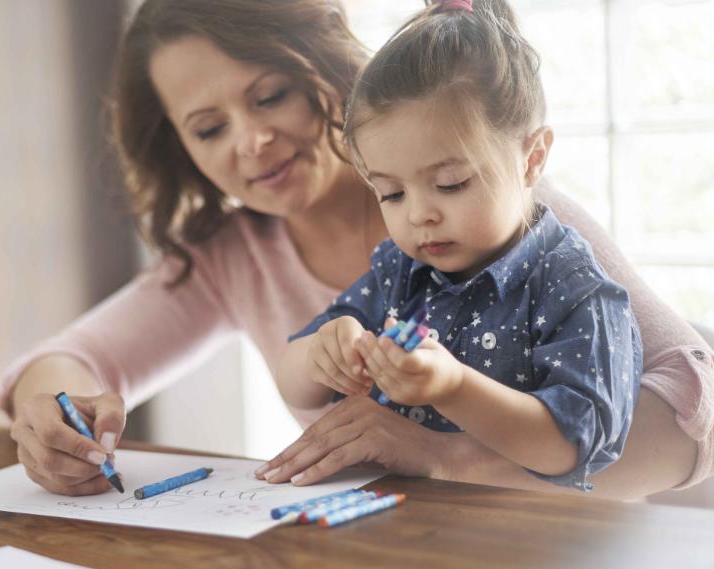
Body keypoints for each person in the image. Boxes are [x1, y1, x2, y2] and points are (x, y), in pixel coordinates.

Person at [0, 0, 713, 499]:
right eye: (208, 128)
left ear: (325, 66)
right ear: (180, 149)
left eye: (271, 94)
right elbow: (71, 361)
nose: (251, 141)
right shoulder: (241, 254)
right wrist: (51, 418)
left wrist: (441, 456)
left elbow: (693, 419)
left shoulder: (512, 221)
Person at [275, 0, 641, 492]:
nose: (418, 214)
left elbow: (573, 446)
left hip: (526, 545)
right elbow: (292, 377)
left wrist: (454, 387)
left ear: (532, 159)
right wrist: (321, 354)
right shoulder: (400, 271)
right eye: (391, 193)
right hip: (401, 528)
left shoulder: (572, 288)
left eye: (450, 184)